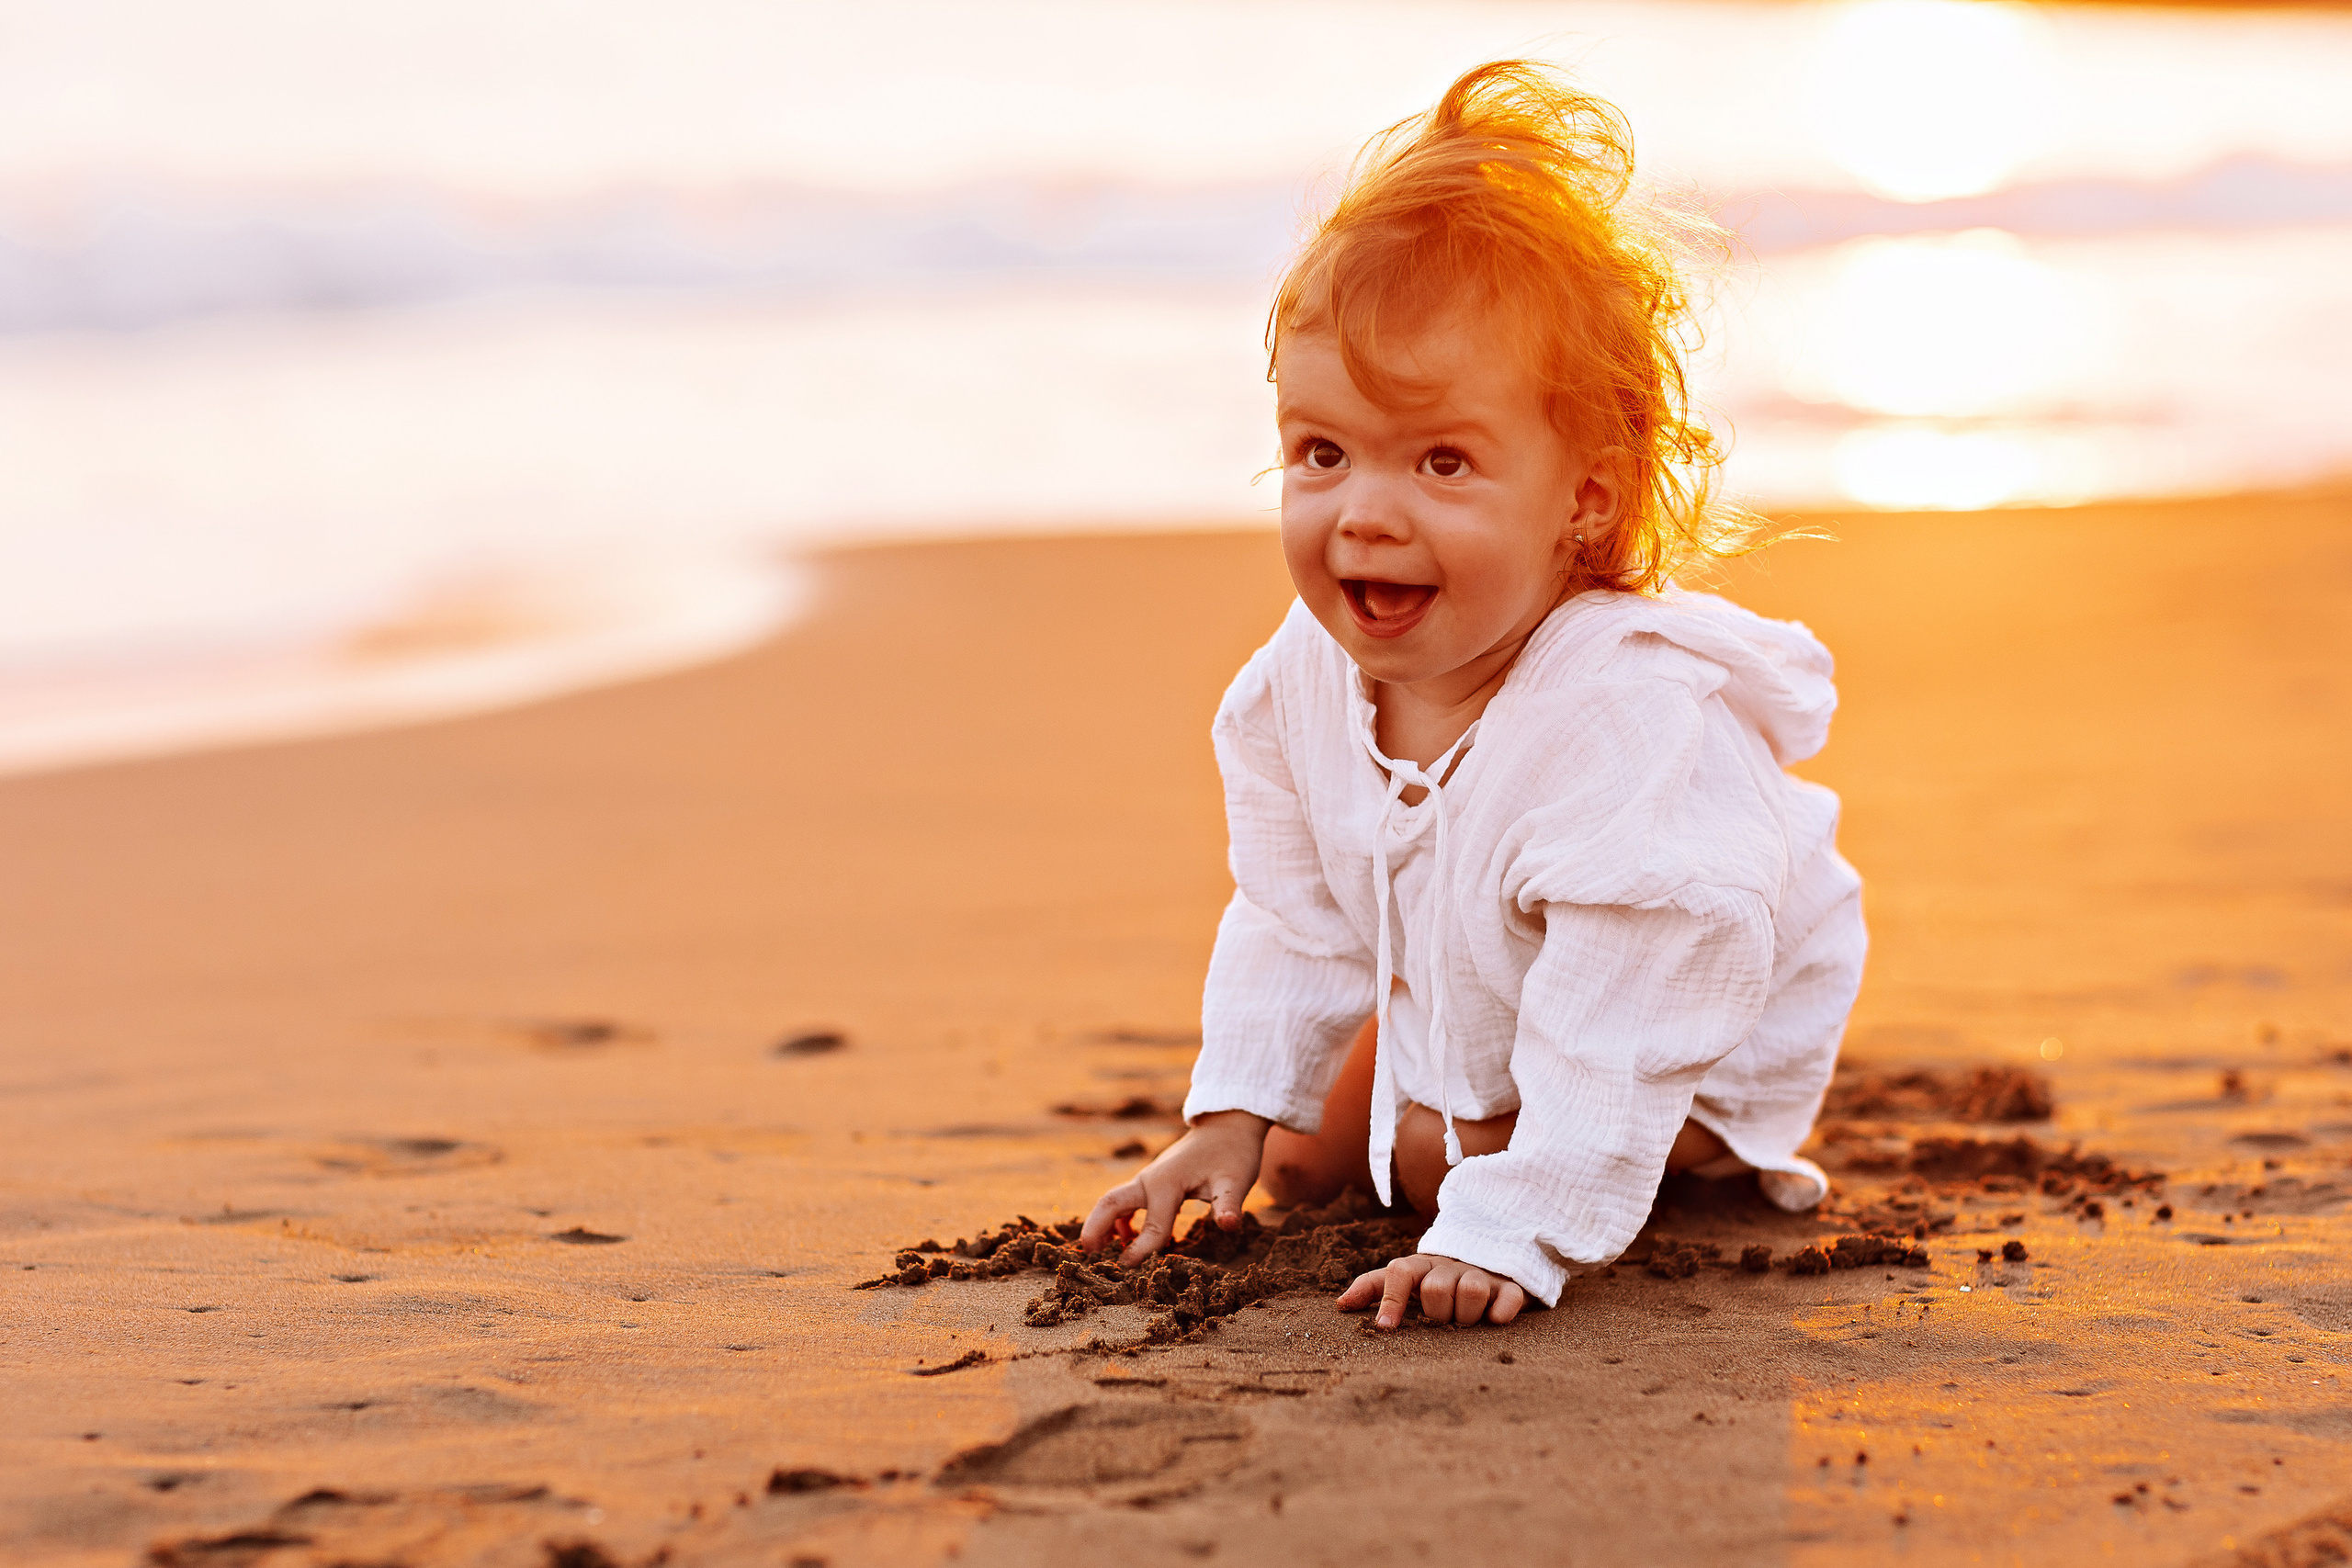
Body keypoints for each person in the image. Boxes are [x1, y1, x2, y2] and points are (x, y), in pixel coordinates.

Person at [1078, 60, 1865, 1330]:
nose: (1366, 513)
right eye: (1321, 453)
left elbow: (1637, 1006)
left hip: (1684, 1008)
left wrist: (1512, 1229)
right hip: (1480, 965)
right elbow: (1294, 914)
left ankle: (1677, 1149)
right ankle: (1443, 1100)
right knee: (1298, 1164)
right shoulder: (1298, 683)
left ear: (1586, 500)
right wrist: (1227, 1118)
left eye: (1444, 460)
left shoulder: (1625, 727)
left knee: (1451, 1165)